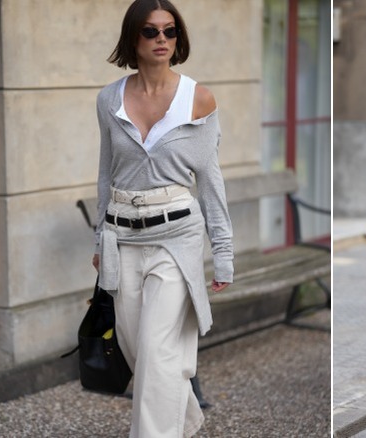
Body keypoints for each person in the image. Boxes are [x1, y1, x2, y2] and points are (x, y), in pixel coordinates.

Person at [91, 0, 233, 436]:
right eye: (151, 32)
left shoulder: (198, 99)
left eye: (170, 32)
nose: (162, 40)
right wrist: (100, 239)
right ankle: (186, 419)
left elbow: (210, 179)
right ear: (133, 37)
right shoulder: (109, 99)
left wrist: (223, 251)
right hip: (122, 236)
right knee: (140, 352)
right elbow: (105, 172)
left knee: (157, 350)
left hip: (177, 238)